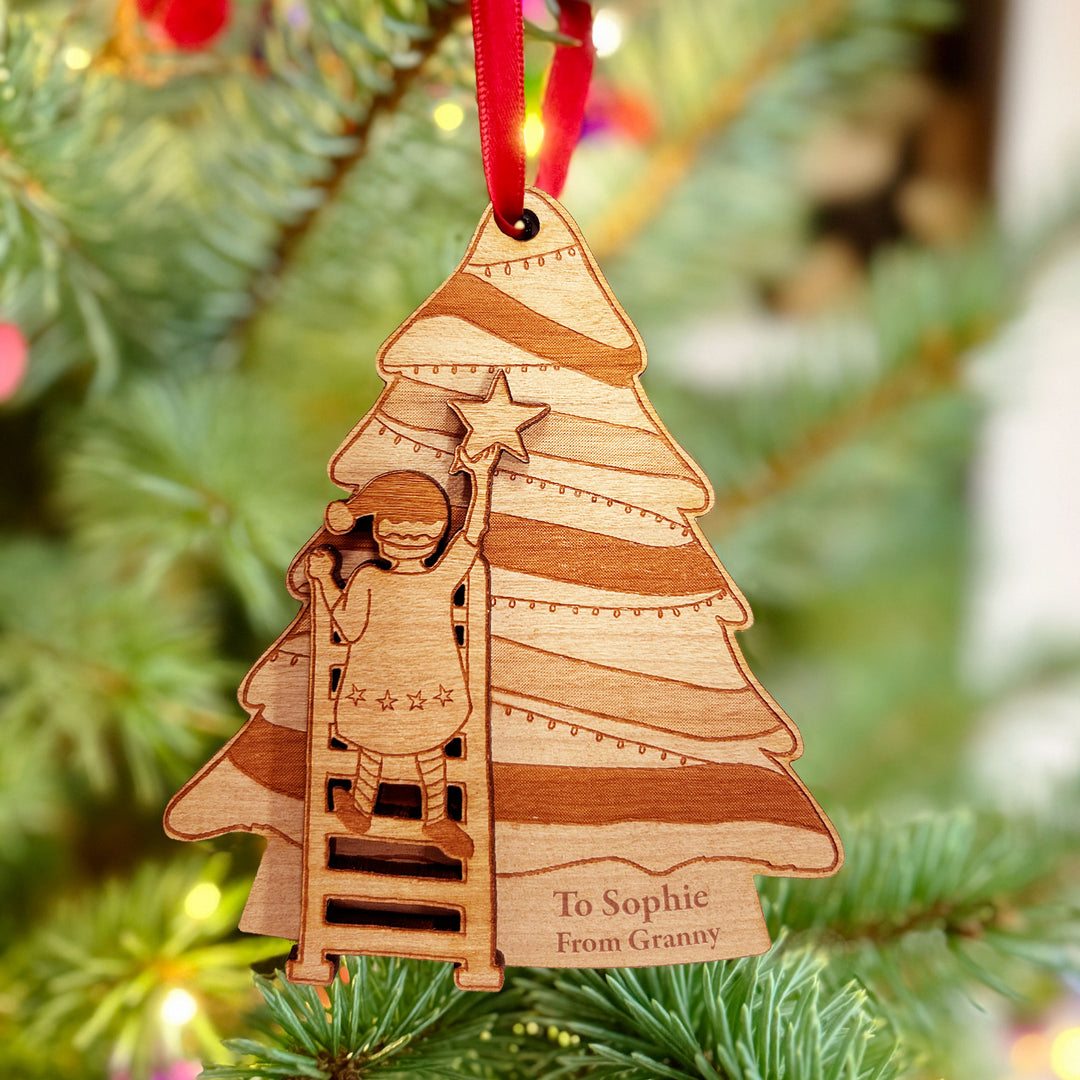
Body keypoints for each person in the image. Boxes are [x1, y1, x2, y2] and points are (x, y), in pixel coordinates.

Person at [305, 448, 497, 860]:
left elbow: (348, 626)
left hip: (403, 688)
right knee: (420, 748)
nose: (407, 541)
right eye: (400, 532)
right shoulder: (426, 576)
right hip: (411, 688)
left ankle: (368, 807)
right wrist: (480, 477)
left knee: (386, 748)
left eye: (417, 533)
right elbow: (472, 534)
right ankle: (427, 814)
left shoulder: (381, 578)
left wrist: (325, 580)